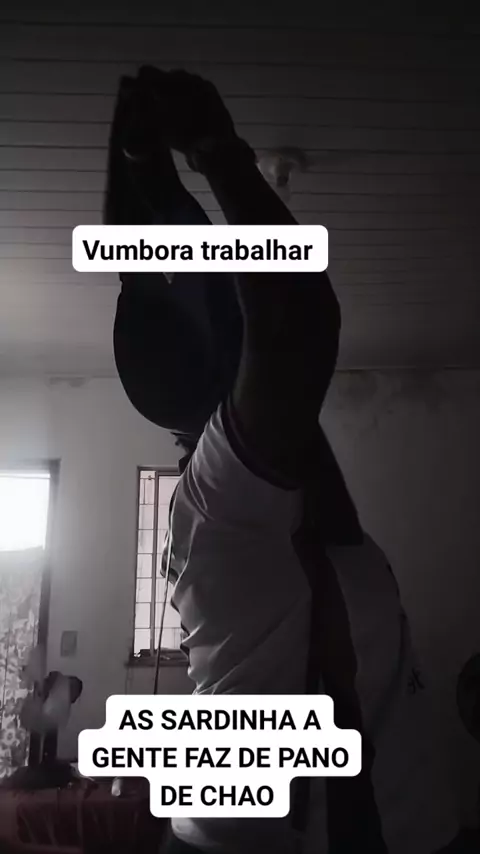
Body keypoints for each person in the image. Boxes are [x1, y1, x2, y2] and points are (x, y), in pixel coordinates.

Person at [107, 69, 464, 853]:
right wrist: (216, 152)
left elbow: (270, 326)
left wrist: (144, 175)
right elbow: (295, 323)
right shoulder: (222, 503)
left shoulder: (287, 504)